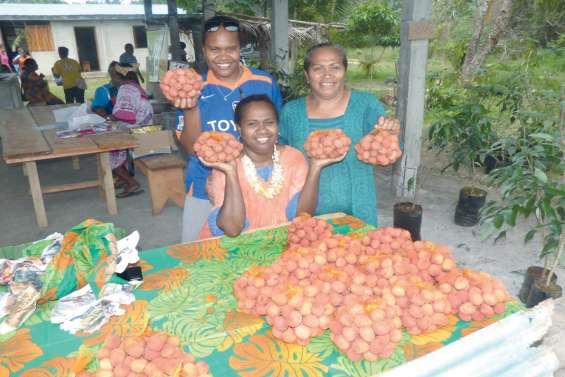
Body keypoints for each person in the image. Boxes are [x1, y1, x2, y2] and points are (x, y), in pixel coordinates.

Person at [174, 15, 283, 242]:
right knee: (196, 256)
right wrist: (191, 107)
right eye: (215, 49)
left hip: (255, 183)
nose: (223, 56)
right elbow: (190, 147)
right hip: (204, 186)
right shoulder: (192, 87)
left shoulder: (263, 82)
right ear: (204, 50)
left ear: (239, 48)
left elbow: (276, 137)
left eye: (230, 48)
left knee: (256, 251)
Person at [279, 43, 400, 226]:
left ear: (345, 71)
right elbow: (279, 157)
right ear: (307, 75)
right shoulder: (291, 112)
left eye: (335, 67)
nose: (327, 75)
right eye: (318, 68)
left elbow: (387, 159)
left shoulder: (365, 105)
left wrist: (390, 137)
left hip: (357, 211)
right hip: (304, 214)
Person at [198, 95, 340, 238]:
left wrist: (315, 167)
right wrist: (231, 172)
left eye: (269, 122)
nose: (262, 130)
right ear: (239, 128)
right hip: (236, 248)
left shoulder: (293, 158)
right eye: (252, 124)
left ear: (278, 125)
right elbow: (232, 229)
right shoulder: (225, 164)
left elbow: (303, 216)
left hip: (283, 242)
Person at [110, 63, 153, 198]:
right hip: (143, 126)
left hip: (136, 129)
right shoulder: (133, 86)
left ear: (119, 76)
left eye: (112, 76)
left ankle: (130, 182)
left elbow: (125, 115)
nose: (111, 80)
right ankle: (122, 178)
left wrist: (109, 116)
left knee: (109, 152)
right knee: (114, 140)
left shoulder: (125, 88)